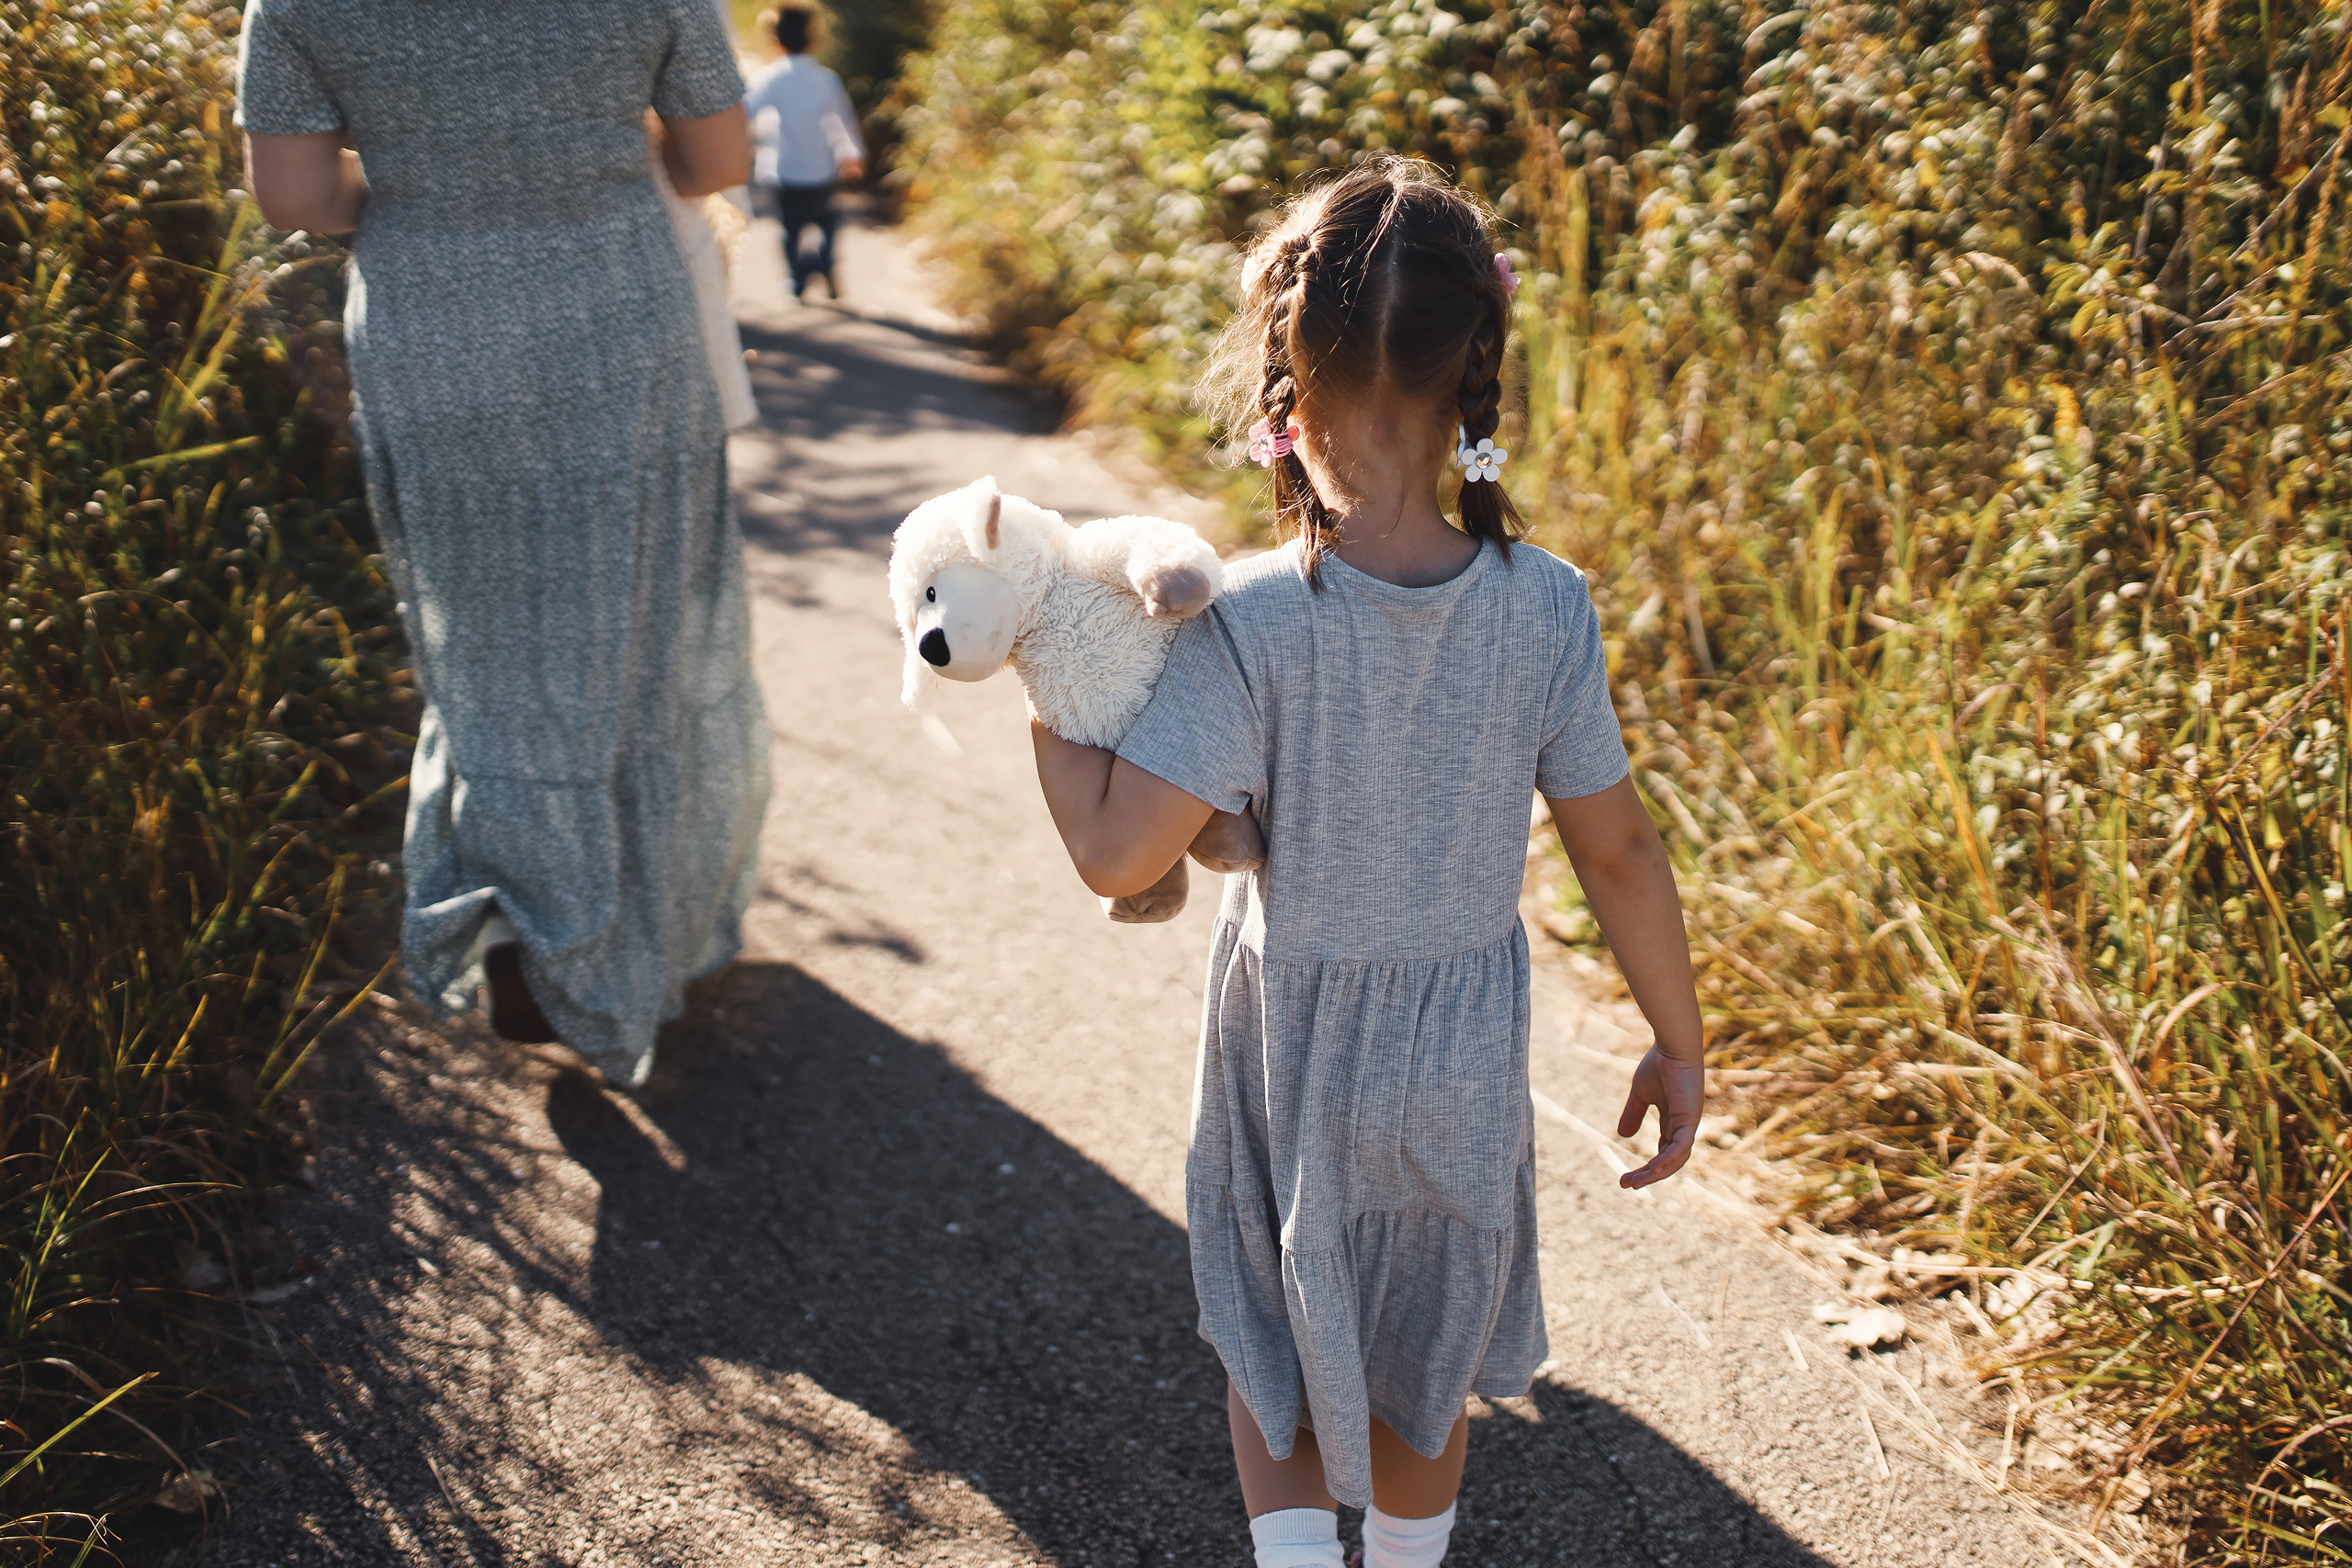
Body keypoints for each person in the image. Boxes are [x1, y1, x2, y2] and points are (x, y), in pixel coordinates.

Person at [1026, 158, 1708, 1568]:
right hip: (1464, 1047)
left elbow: (1115, 855)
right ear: (1475, 369)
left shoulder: (1249, 620)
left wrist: (1050, 685)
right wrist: (1678, 1037)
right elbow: (1621, 850)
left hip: (1298, 1046)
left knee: (1276, 1316)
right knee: (1425, 1337)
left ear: (1288, 383)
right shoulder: (1548, 605)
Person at [237, 0, 772, 1088]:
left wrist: (429, 190)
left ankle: (527, 926)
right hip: (620, 315)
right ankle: (644, 935)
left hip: (433, 327)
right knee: (644, 618)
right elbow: (715, 162)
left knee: (479, 639)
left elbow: (293, 194)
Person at [741, 5, 866, 301]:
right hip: (821, 168)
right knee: (827, 221)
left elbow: (745, 114)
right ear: (813, 40)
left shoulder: (770, 78)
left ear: (775, 42)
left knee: (790, 229)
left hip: (784, 170)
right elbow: (843, 122)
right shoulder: (826, 79)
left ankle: (796, 280)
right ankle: (823, 263)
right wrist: (853, 155)